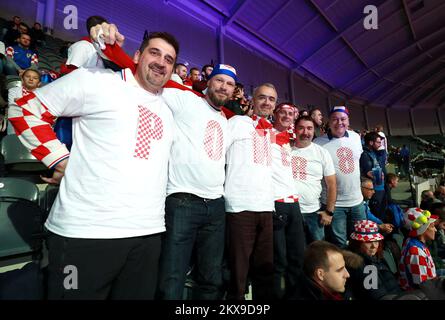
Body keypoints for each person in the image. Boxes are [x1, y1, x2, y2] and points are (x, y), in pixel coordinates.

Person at [9, 31, 179, 300]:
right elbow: (24, 110)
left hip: (148, 236)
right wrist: (59, 159)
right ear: (137, 55)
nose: (161, 62)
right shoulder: (96, 81)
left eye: (169, 59)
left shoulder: (168, 110)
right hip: (85, 234)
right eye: (154, 53)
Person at [157, 64, 237, 300]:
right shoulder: (185, 99)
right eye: (219, 81)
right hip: (182, 201)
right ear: (208, 82)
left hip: (215, 205)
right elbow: (147, 84)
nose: (224, 87)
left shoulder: (226, 119)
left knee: (211, 278)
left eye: (229, 84)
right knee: (172, 276)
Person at [225, 83, 277, 300]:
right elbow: (221, 155)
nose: (266, 102)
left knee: (265, 270)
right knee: (238, 271)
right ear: (253, 100)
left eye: (271, 99)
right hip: (240, 205)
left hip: (266, 206)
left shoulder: (271, 132)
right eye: (262, 97)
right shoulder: (238, 122)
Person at [313, 106, 366, 248]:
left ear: (348, 121)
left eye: (343, 119)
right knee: (339, 243)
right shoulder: (318, 143)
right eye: (335, 119)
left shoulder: (355, 137)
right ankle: (343, 269)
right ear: (329, 122)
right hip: (335, 205)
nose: (339, 122)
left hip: (357, 202)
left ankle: (360, 269)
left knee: (361, 240)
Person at [270, 103, 306, 299]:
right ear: (275, 114)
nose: (286, 116)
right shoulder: (265, 134)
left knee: (297, 257)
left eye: (290, 113)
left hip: (293, 203)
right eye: (282, 112)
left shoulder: (288, 141)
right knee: (279, 260)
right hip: (276, 201)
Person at [291, 115, 336, 243]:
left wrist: (329, 212)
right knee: (295, 253)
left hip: (313, 213)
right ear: (295, 129)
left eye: (309, 128)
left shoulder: (322, 153)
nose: (306, 132)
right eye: (301, 128)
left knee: (318, 253)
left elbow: (331, 184)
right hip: (291, 212)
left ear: (313, 130)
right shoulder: (286, 150)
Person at [346, 220, 403, 300]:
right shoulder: (365, 266)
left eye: (376, 241)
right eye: (368, 242)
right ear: (357, 243)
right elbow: (376, 295)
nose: (374, 246)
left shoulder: (376, 257)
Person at [399, 208, 438, 290]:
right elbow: (422, 285)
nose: (435, 229)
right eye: (432, 226)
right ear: (422, 229)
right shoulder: (415, 250)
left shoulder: (416, 243)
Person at [360, 131, 386, 219]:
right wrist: (378, 174)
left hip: (379, 187)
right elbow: (368, 172)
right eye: (378, 142)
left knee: (380, 212)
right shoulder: (365, 154)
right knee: (376, 214)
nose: (380, 144)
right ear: (371, 142)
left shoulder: (373, 152)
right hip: (374, 188)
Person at [6, 68, 41, 134]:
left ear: (39, 83)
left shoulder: (42, 93)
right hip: (18, 120)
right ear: (22, 80)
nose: (31, 79)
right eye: (28, 76)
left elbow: (43, 109)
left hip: (36, 122)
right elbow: (13, 107)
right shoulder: (14, 90)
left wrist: (20, 101)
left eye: (35, 78)